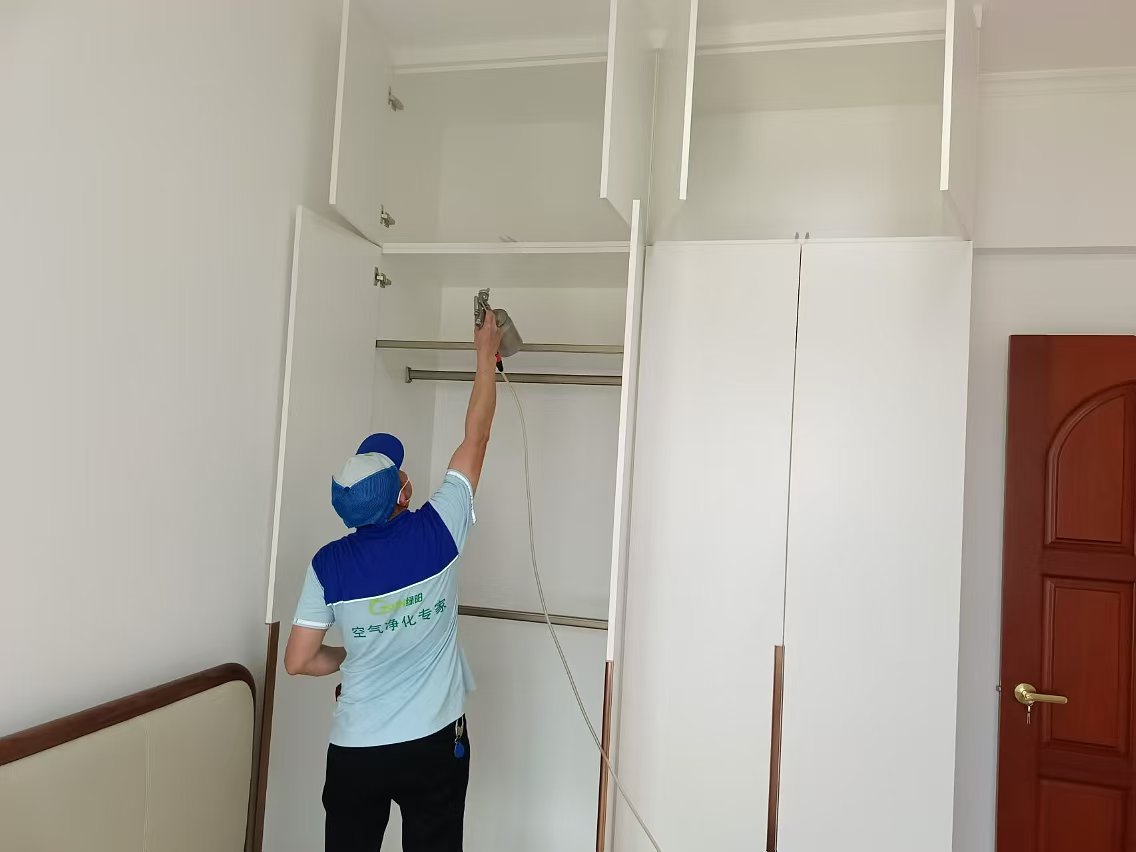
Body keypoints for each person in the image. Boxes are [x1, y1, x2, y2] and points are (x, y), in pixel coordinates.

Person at [284, 310, 504, 851]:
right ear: (402, 493)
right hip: (434, 743)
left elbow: (297, 661)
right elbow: (476, 439)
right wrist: (485, 356)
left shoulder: (327, 565)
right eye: (401, 472)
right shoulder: (438, 528)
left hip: (357, 749)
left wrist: (351, 657)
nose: (408, 475)